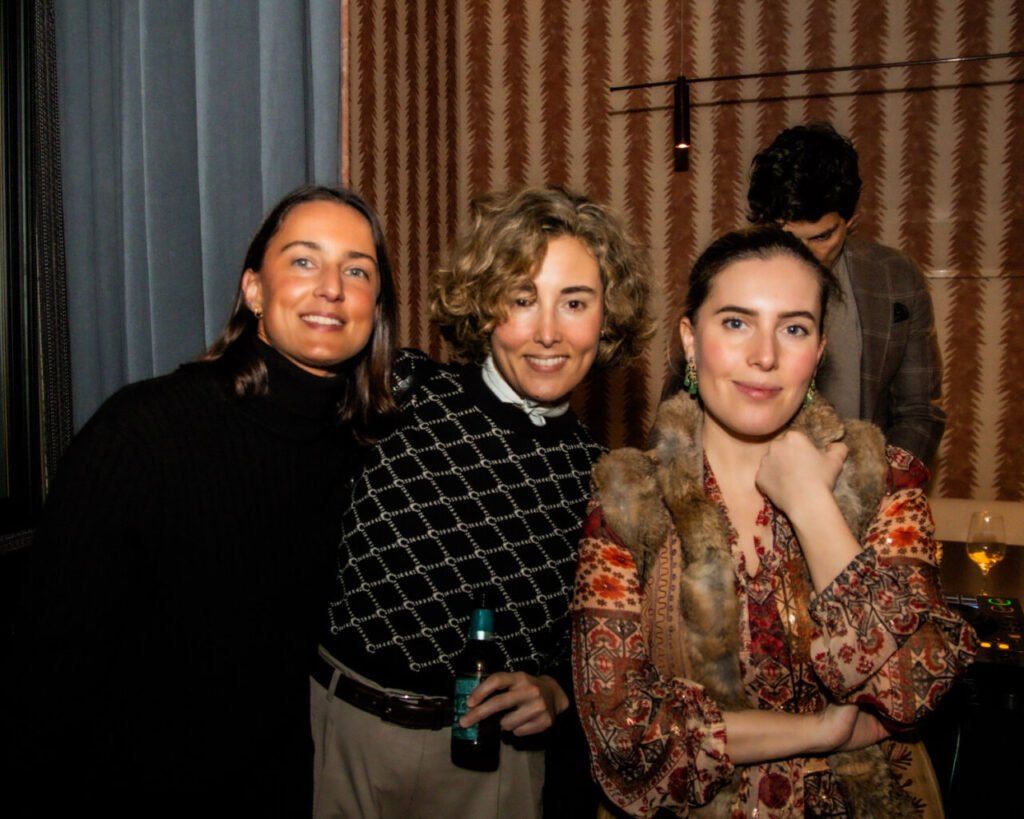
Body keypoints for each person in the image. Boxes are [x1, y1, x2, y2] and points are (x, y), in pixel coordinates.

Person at [4, 185, 397, 817]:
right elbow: (48, 672)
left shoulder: (365, 450)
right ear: (253, 290)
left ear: (374, 306)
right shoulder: (141, 432)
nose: (332, 287)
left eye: (357, 270)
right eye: (303, 260)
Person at [572, 226, 976, 817]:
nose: (765, 355)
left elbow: (915, 687)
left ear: (818, 351)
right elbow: (621, 738)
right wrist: (820, 731)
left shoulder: (877, 480)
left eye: (793, 328)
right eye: (736, 322)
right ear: (690, 339)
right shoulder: (629, 499)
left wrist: (812, 504)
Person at [311, 187, 652, 818]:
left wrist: (555, 691)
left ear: (607, 316)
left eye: (574, 302)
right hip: (337, 739)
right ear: (486, 304)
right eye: (523, 299)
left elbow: (600, 652)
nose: (548, 332)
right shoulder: (399, 388)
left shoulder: (607, 481)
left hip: (489, 774)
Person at [747, 122, 946, 464]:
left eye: (821, 237)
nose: (802, 255)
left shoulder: (895, 277)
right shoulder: (728, 275)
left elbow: (920, 410)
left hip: (862, 493)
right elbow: (682, 402)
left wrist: (884, 484)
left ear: (851, 220)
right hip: (750, 488)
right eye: (788, 237)